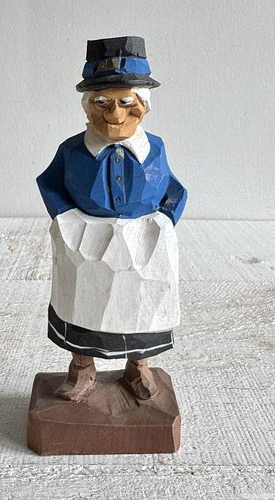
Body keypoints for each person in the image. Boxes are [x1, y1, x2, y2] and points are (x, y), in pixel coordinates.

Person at [37, 36, 187, 401]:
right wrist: (66, 221)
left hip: (142, 241)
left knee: (141, 308)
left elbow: (175, 189)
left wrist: (165, 221)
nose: (115, 114)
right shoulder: (72, 151)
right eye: (102, 103)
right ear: (88, 105)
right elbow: (49, 183)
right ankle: (82, 369)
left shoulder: (155, 148)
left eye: (125, 102)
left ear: (143, 104)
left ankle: (138, 367)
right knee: (85, 306)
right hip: (86, 240)